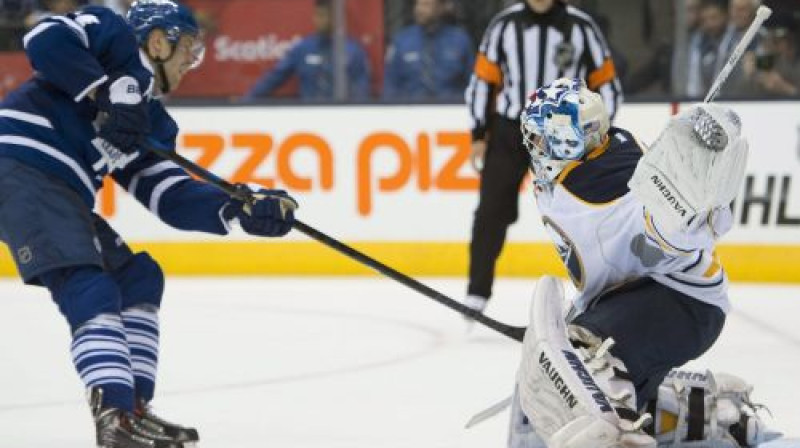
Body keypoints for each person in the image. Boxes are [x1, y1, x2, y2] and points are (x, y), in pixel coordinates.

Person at [0, 1, 298, 446]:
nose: (191, 64)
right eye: (188, 51)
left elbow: (169, 196)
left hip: (60, 191)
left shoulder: (152, 121)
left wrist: (238, 207)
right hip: (20, 165)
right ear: (158, 41)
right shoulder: (110, 35)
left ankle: (134, 411)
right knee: (89, 283)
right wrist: (104, 92)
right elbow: (43, 39)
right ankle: (115, 418)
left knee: (138, 278)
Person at [504, 78, 778, 447]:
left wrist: (692, 214)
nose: (533, 148)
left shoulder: (599, 178)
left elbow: (660, 229)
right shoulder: (594, 158)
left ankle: (620, 435)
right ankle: (712, 418)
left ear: (565, 137)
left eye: (539, 137)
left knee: (585, 362)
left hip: (680, 301)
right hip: (643, 299)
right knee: (568, 372)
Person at [463, 0, 623, 316]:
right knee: (491, 212)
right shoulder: (503, 25)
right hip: (511, 131)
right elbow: (483, 81)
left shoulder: (581, 27)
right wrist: (478, 134)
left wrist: (599, 135)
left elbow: (607, 86)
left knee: (582, 214)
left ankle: (599, 299)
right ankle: (476, 294)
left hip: (565, 135)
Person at [242, 0, 371, 101]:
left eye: (324, 15)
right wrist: (245, 102)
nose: (318, 20)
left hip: (341, 117)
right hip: (308, 118)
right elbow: (274, 77)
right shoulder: (303, 48)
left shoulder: (353, 51)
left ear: (336, 18)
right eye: (317, 15)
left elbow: (361, 91)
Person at [382, 0, 474, 100]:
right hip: (409, 110)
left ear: (441, 8)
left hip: (450, 109)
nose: (419, 10)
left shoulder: (460, 41)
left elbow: (473, 84)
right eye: (418, 4)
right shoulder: (402, 41)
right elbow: (390, 86)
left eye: (426, 5)